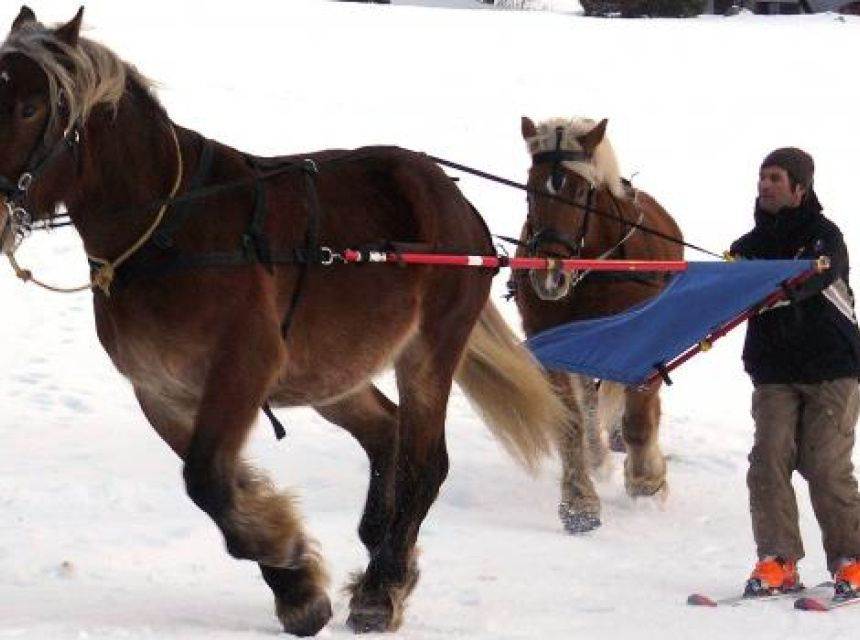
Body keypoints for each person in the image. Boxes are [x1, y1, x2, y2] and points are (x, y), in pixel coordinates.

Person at [729, 147, 860, 599]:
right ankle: (778, 561)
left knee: (824, 466)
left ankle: (852, 560)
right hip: (774, 372)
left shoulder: (825, 239)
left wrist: (762, 280)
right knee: (767, 460)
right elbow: (724, 297)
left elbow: (813, 277)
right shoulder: (745, 250)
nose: (765, 184)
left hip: (833, 370)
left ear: (799, 188)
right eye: (762, 176)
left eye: (776, 178)